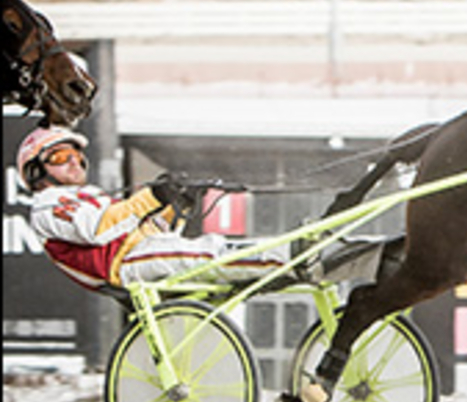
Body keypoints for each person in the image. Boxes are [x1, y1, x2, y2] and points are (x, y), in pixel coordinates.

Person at [16, 125, 311, 293]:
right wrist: (153, 195)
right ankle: (293, 255)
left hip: (140, 253)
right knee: (211, 253)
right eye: (60, 156)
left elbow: (141, 229)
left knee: (210, 251)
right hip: (124, 266)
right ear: (35, 172)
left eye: (78, 155)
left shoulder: (89, 195)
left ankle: (289, 257)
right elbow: (98, 229)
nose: (74, 161)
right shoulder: (48, 204)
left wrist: (174, 205)